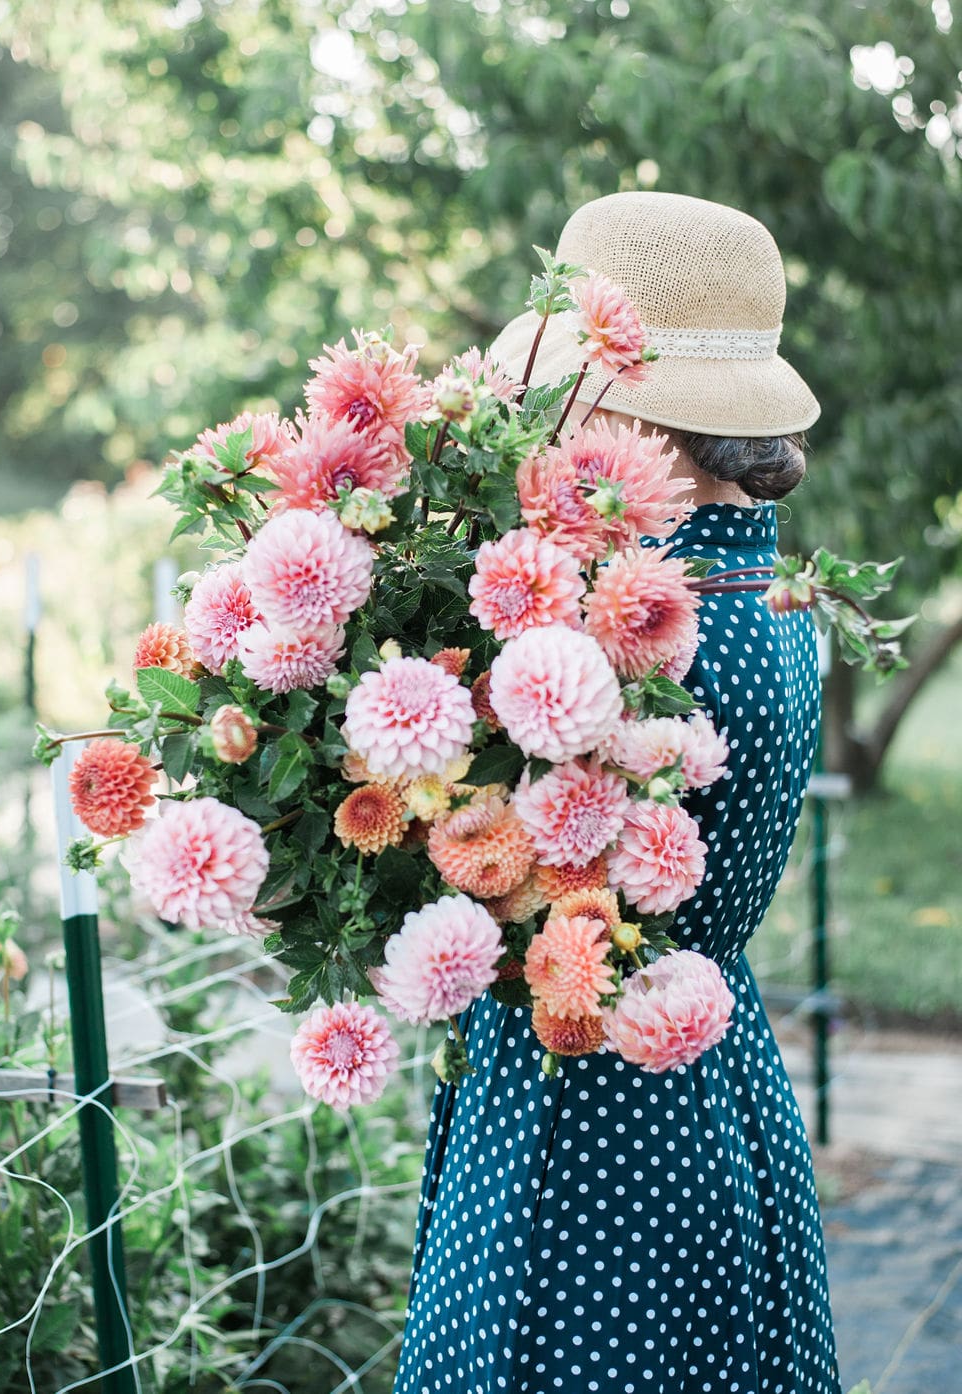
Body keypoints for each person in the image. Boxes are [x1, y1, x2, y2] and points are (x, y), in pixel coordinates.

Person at [392, 192, 839, 1394]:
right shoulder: (772, 600)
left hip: (591, 1107)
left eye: (570, 392)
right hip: (710, 1066)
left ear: (633, 411)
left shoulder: (636, 632)